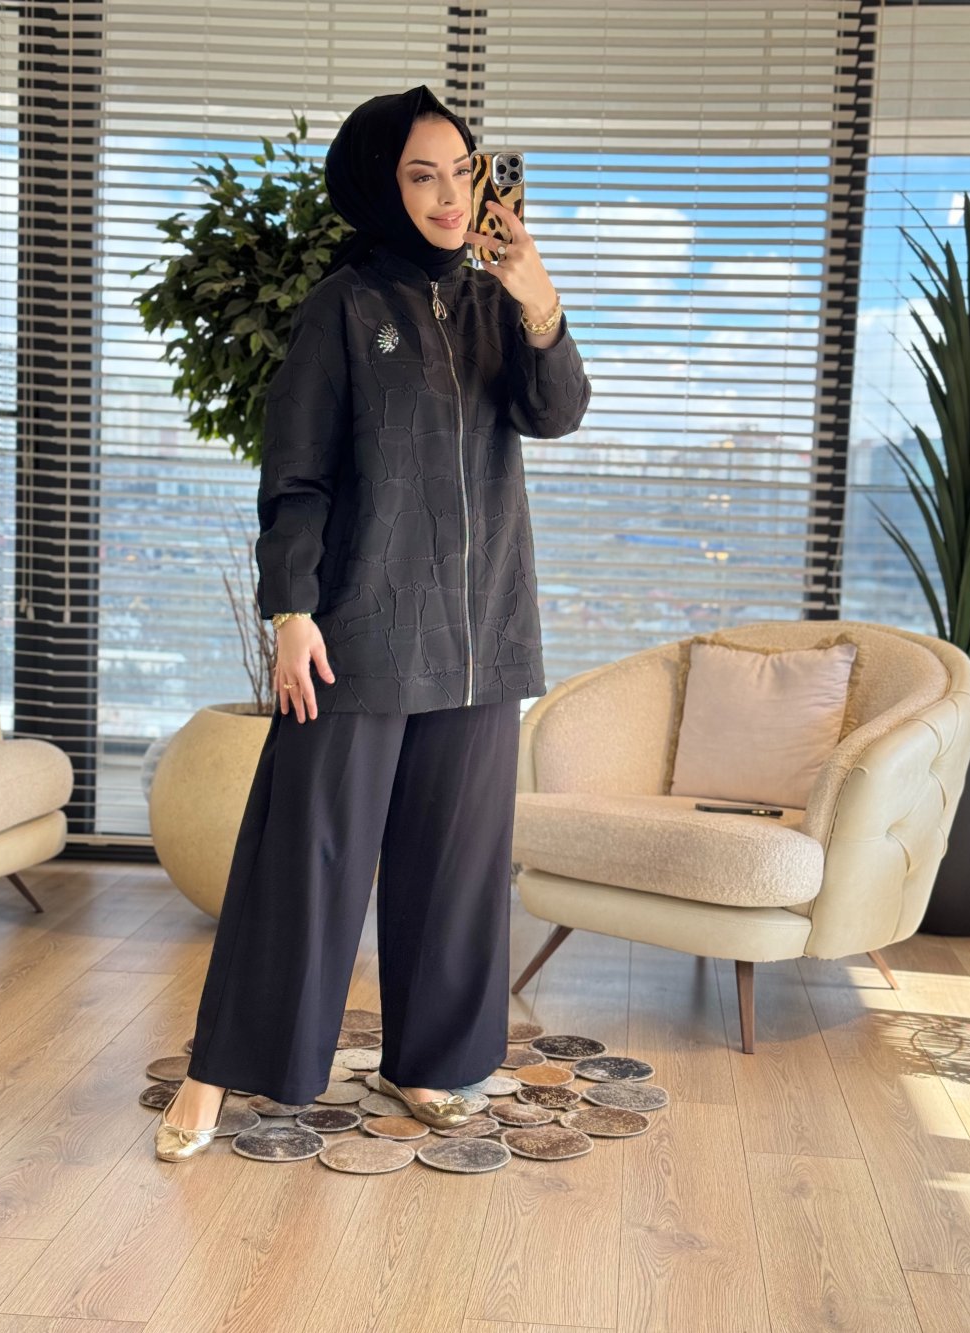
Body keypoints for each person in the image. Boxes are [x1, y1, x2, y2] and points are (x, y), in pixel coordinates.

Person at [154, 85, 591, 1161]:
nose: (449, 196)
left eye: (462, 171)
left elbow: (555, 412)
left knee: (456, 872)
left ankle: (428, 1062)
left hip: (483, 632)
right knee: (302, 857)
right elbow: (296, 476)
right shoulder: (343, 308)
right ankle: (219, 1069)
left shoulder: (497, 303)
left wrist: (536, 296)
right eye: (421, 175)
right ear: (378, 187)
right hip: (361, 629)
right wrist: (291, 610)